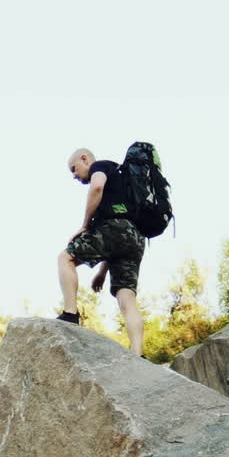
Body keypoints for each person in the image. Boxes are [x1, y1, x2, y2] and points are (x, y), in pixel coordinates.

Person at [57, 148, 145, 355]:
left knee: (65, 258)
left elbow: (96, 187)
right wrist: (102, 273)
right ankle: (138, 353)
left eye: (74, 169)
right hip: (135, 237)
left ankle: (70, 313)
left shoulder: (100, 166)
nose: (74, 176)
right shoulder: (123, 178)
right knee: (126, 296)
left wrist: (85, 225)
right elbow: (117, 245)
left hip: (114, 229)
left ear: (85, 159)